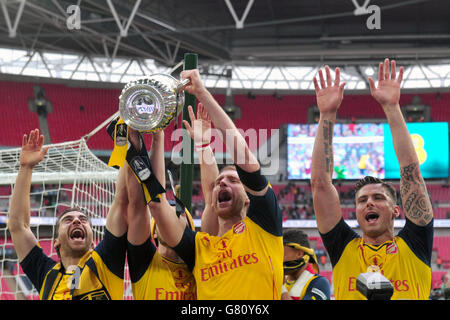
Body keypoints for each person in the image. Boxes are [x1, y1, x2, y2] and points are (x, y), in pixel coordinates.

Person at [146, 69, 284, 300]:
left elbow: (246, 160)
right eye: (219, 181)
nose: (222, 184)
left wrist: (202, 93)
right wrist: (158, 135)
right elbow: (158, 204)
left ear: (248, 197)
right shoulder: (200, 247)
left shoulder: (263, 227)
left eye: (233, 180)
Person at [311, 59, 434, 300]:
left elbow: (411, 173)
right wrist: (327, 114)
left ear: (396, 209)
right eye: (362, 200)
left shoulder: (415, 244)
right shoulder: (343, 247)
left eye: (378, 198)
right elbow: (320, 184)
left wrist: (391, 107)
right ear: (356, 212)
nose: (369, 203)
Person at [8, 129, 128, 300]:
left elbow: (121, 201)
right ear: (56, 241)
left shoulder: (105, 263)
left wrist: (125, 144)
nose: (77, 221)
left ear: (94, 241)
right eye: (68, 220)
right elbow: (18, 226)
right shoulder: (46, 274)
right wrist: (26, 168)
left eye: (83, 219)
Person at [114, 127, 197, 300]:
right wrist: (157, 137)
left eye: (178, 215)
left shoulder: (199, 264)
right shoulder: (144, 261)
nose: (169, 218)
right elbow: (143, 202)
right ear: (153, 231)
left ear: (190, 229)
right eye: (166, 214)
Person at [281, 229, 330, 300]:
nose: (279, 260)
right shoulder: (283, 282)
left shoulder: (320, 283)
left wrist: (281, 288)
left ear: (299, 254)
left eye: (283, 255)